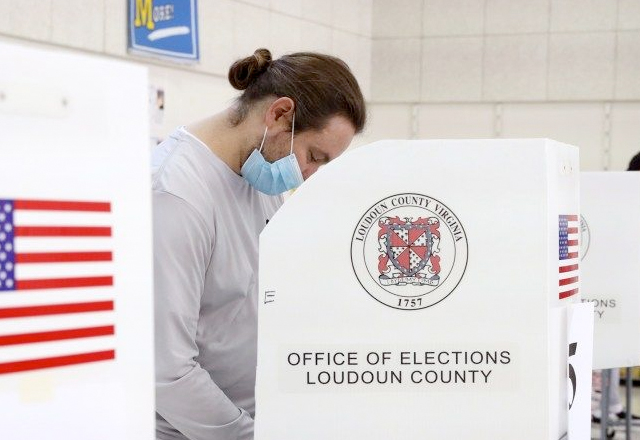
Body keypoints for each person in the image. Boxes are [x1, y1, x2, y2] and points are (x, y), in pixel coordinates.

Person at [151, 48, 366, 440]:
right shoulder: (176, 194)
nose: (308, 174)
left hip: (257, 421)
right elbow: (167, 370)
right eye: (313, 156)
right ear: (279, 114)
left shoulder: (259, 176)